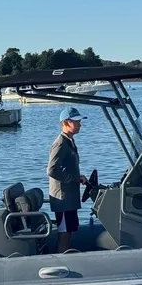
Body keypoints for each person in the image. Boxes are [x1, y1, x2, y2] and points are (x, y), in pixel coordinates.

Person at [47, 106, 88, 253]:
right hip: (63, 198)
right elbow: (52, 169)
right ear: (65, 123)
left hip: (70, 197)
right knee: (64, 233)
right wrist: (72, 179)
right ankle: (60, 261)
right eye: (76, 121)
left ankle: (66, 257)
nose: (79, 124)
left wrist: (79, 177)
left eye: (79, 121)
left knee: (69, 231)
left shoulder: (69, 141)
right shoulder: (60, 143)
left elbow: (66, 167)